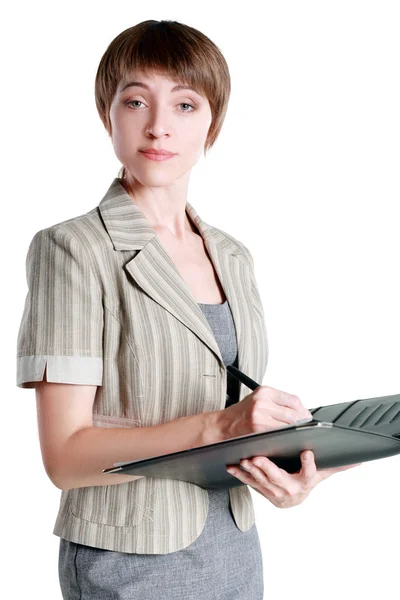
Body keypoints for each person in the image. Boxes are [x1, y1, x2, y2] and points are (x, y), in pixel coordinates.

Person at [16, 19, 361, 600]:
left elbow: (229, 410)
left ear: (213, 124)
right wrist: (220, 426)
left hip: (233, 553)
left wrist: (291, 468)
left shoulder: (233, 256)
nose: (158, 126)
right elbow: (66, 457)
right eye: (135, 101)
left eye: (184, 103)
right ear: (109, 115)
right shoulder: (71, 249)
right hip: (128, 565)